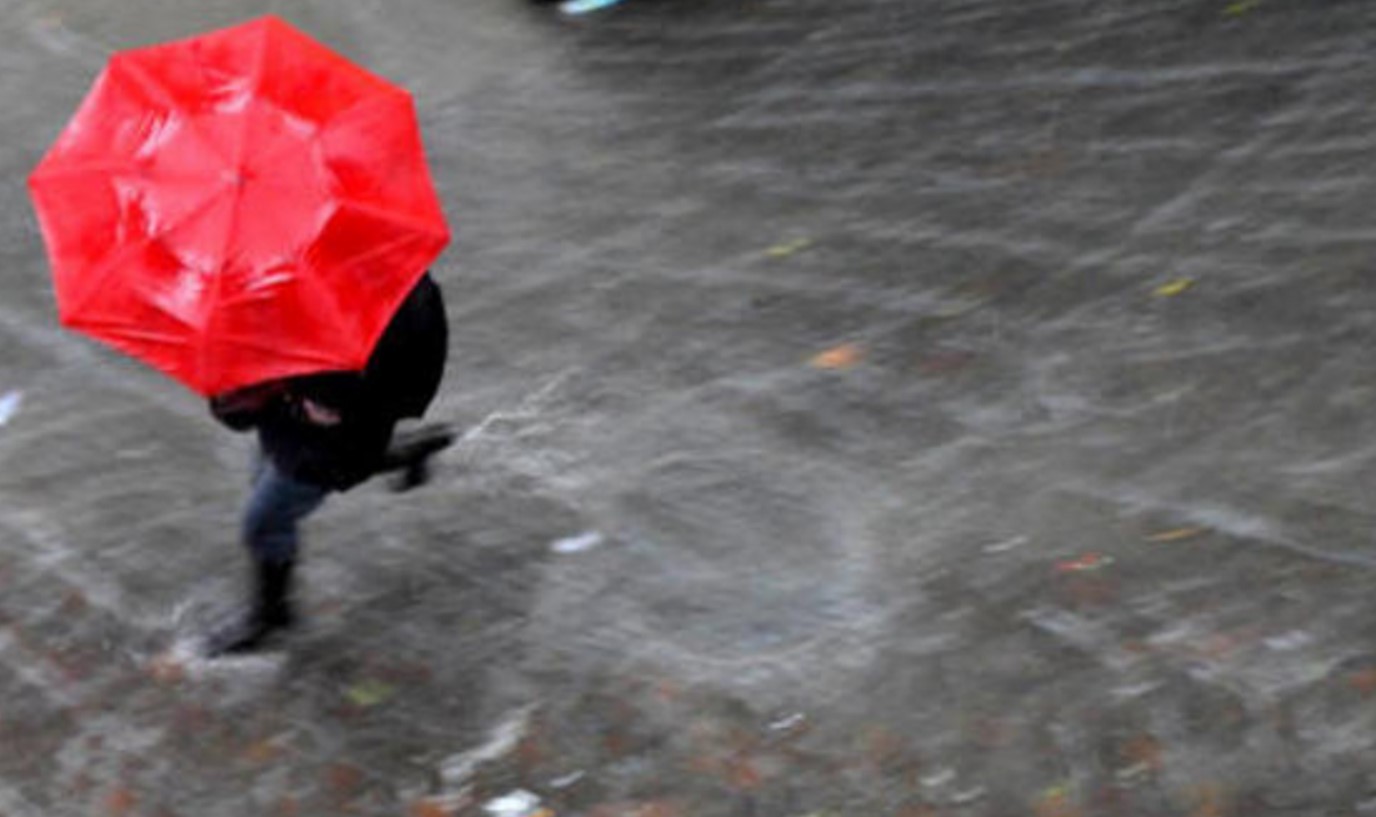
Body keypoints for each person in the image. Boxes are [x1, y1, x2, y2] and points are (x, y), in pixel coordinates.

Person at [204, 272, 454, 655]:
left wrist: (309, 396)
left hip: (331, 444)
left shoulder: (383, 312)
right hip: (293, 435)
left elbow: (378, 396)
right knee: (270, 478)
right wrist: (236, 399)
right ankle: (409, 451)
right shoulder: (273, 291)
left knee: (263, 523)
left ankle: (271, 616)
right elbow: (242, 412)